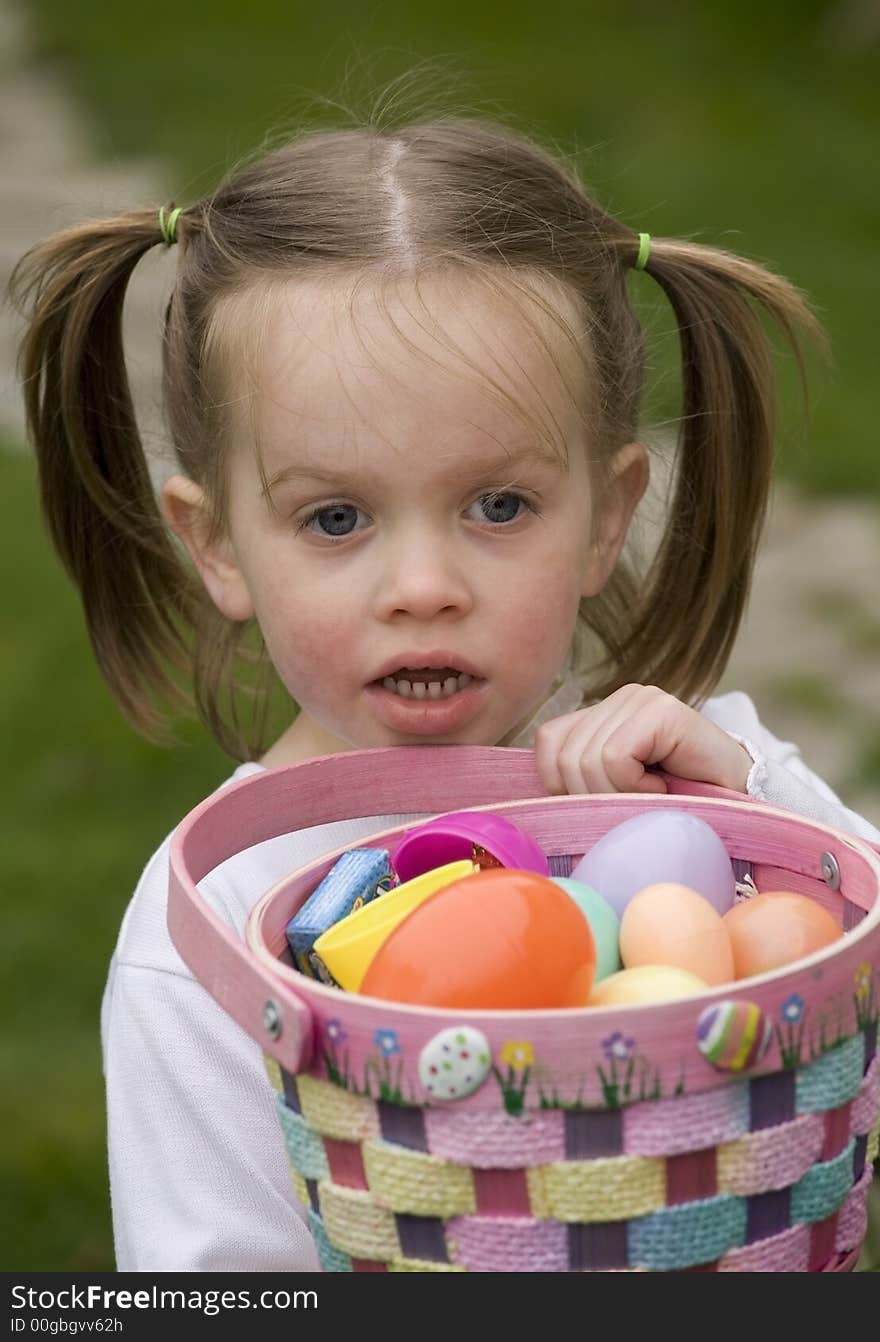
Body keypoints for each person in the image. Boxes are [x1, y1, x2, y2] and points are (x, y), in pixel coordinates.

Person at [11, 113, 879, 1272]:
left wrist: (759, 810)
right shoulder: (216, 926)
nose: (423, 588)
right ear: (216, 545)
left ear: (607, 515)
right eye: (335, 518)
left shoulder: (700, 800)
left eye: (499, 506)